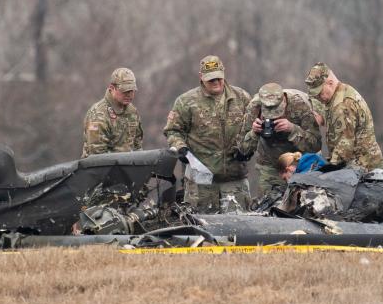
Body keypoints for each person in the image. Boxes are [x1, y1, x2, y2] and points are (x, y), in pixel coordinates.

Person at [163, 55, 252, 212]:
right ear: (201, 78)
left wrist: (248, 148)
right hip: (201, 182)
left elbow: (253, 129)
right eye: (211, 79)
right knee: (201, 228)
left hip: (234, 179)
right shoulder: (186, 101)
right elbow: (172, 130)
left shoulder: (242, 98)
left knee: (239, 229)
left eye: (219, 78)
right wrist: (180, 147)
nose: (216, 82)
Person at [240, 82, 321, 194]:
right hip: (270, 164)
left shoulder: (300, 105)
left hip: (300, 164)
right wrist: (254, 133)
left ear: (284, 101)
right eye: (269, 117)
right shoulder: (254, 108)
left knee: (304, 205)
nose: (273, 119)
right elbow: (243, 149)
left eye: (277, 114)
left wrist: (293, 130)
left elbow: (315, 146)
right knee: (269, 205)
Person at [305, 62, 383, 170]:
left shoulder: (342, 105)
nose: (318, 97)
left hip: (363, 166)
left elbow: (345, 145)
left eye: (320, 92)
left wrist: (330, 168)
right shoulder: (337, 95)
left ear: (330, 83)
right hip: (356, 164)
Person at [81, 67, 143, 157]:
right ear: (112, 88)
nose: (129, 95)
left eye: (131, 91)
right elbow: (97, 154)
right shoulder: (98, 114)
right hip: (102, 168)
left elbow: (138, 146)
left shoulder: (132, 111)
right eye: (124, 91)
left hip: (128, 167)